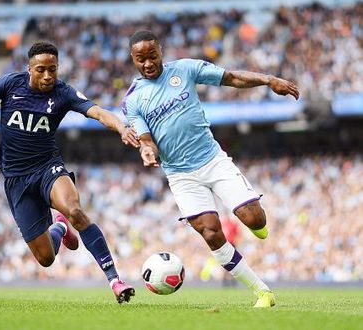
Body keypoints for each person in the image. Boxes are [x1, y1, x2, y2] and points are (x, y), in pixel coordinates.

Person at [0, 42, 139, 303]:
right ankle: (59, 228)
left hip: (47, 168)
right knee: (46, 258)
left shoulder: (63, 92)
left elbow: (97, 112)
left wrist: (121, 128)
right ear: (29, 69)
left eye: (53, 69)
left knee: (75, 210)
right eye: (41, 70)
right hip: (17, 179)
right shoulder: (8, 84)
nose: (48, 76)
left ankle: (115, 280)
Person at [122, 30, 300, 308]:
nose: (147, 64)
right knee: (211, 233)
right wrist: (146, 150)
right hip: (180, 176)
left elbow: (230, 77)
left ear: (161, 52)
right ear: (133, 59)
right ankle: (262, 291)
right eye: (140, 59)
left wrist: (268, 80)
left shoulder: (186, 69)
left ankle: (259, 225)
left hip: (212, 160)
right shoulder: (133, 100)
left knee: (254, 219)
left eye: (152, 56)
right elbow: (146, 139)